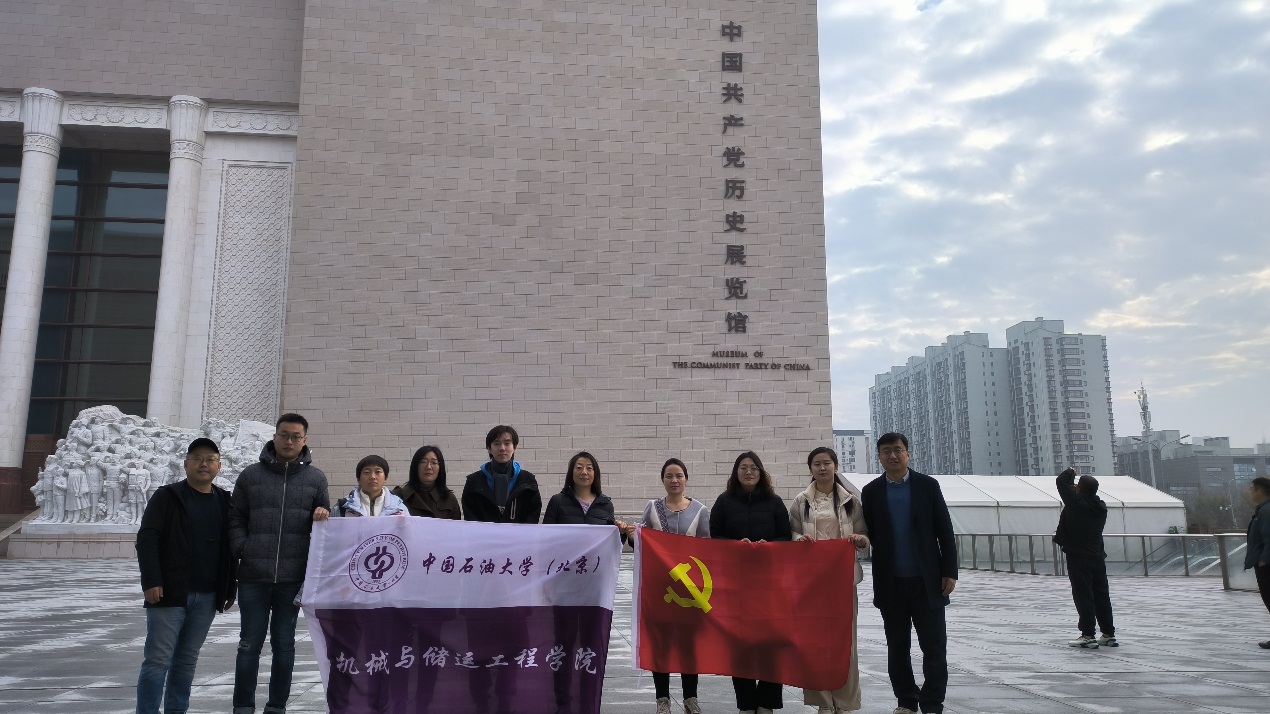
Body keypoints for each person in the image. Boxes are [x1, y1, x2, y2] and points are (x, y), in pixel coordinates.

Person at [229, 413, 331, 714]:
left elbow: (324, 525)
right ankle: (243, 707)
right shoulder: (251, 475)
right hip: (253, 576)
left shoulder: (316, 479)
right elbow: (235, 517)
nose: (289, 441)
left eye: (295, 436)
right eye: (284, 435)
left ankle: (276, 707)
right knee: (249, 644)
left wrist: (323, 514)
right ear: (274, 437)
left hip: (292, 578)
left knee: (284, 645)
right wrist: (244, 548)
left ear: (304, 440)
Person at [134, 437, 237, 714]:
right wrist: (151, 581)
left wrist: (229, 588)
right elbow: (147, 539)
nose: (204, 464)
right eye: (197, 459)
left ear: (219, 466)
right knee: (158, 660)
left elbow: (230, 548)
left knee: (187, 660)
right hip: (168, 593)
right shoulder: (168, 496)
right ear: (185, 464)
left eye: (210, 459)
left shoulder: (225, 500)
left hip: (207, 595)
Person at [860, 433, 956, 714]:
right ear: (879, 456)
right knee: (897, 647)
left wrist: (949, 571)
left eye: (898, 450)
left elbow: (944, 530)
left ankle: (932, 703)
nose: (892, 456)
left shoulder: (928, 485)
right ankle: (906, 701)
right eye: (886, 451)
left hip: (928, 581)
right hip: (891, 583)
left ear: (908, 454)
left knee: (934, 647)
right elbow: (871, 532)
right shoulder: (871, 491)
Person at [623, 457, 709, 714]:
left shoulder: (700, 510)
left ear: (686, 479)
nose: (674, 480)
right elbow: (642, 545)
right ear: (662, 480)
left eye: (679, 475)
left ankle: (690, 698)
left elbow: (707, 548)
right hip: (660, 589)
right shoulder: (652, 508)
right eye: (669, 476)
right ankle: (662, 700)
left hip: (689, 590)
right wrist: (633, 537)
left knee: (688, 645)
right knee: (660, 644)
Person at [789, 447, 869, 714]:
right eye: (816, 464)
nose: (822, 468)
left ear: (836, 466)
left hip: (843, 581)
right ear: (810, 469)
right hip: (812, 583)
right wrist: (799, 539)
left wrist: (860, 540)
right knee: (814, 641)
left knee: (846, 642)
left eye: (827, 463)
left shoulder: (851, 501)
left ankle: (844, 702)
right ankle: (823, 701)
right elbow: (792, 533)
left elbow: (864, 535)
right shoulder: (801, 501)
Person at [710, 451, 792, 714]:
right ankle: (746, 704)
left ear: (761, 472)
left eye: (754, 467)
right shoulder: (723, 502)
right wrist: (736, 546)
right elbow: (714, 537)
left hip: (770, 584)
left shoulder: (774, 502)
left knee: (772, 643)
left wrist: (768, 546)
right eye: (743, 467)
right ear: (736, 472)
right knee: (741, 645)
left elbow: (786, 537)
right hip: (736, 584)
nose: (748, 472)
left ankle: (766, 702)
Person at [1053, 467, 1116, 649]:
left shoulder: (1076, 504)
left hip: (1079, 557)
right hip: (1097, 557)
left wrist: (1071, 471)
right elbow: (1073, 488)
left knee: (1083, 596)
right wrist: (1076, 485)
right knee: (1101, 595)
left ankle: (1088, 635)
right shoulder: (1100, 507)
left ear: (1080, 489)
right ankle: (1108, 634)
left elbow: (1060, 481)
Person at [461, 425, 542, 523]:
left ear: (515, 447)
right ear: (489, 448)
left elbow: (533, 515)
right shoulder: (474, 481)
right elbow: (470, 517)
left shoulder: (527, 480)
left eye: (507, 443)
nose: (502, 448)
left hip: (519, 533)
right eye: (496, 443)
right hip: (484, 533)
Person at [542, 451, 621, 526]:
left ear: (595, 473)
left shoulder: (606, 504)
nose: (584, 472)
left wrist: (622, 531)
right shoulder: (557, 501)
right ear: (571, 472)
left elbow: (611, 534)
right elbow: (546, 532)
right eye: (579, 468)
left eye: (589, 468)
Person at [392, 445, 461, 519]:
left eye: (434, 462)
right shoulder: (398, 496)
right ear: (416, 466)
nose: (428, 467)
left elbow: (456, 525)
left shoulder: (449, 499)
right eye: (423, 462)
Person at [1244, 477, 1270, 648]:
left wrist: (1264, 560)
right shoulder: (1264, 509)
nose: (1250, 492)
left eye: (1252, 489)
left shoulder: (1266, 511)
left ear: (1260, 491)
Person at [336, 455, 407, 516]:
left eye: (378, 472)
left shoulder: (399, 508)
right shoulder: (343, 507)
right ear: (358, 479)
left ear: (385, 478)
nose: (372, 477)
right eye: (367, 472)